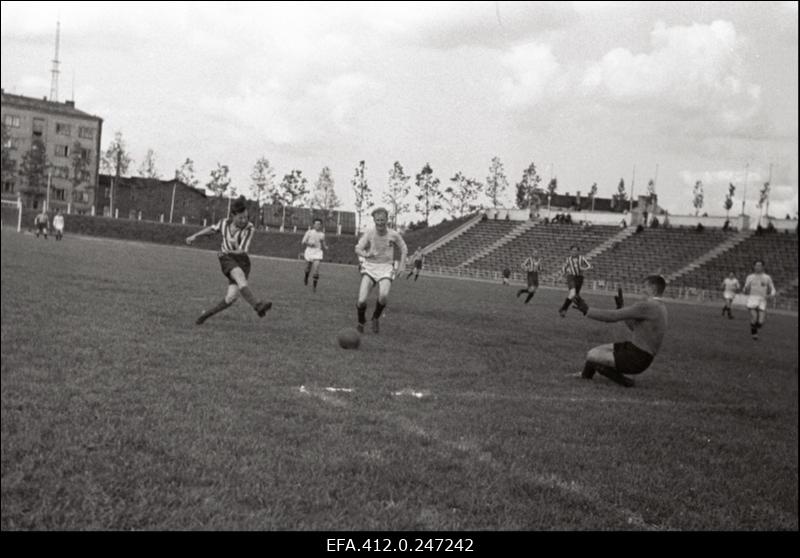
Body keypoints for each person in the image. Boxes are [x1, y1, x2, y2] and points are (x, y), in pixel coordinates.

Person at [185, 196, 272, 325]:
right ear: (232, 216)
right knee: (239, 275)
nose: (244, 220)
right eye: (240, 217)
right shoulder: (224, 223)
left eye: (246, 217)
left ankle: (205, 316)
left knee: (231, 297)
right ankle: (258, 305)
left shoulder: (249, 228)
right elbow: (212, 230)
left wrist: (235, 244)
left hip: (242, 260)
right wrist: (195, 236)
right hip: (226, 257)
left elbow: (242, 251)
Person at [571, 277, 668, 388]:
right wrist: (621, 307)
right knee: (595, 352)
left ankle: (625, 381)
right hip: (638, 352)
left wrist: (586, 310)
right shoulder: (660, 307)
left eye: (644, 287)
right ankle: (586, 375)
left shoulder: (648, 306)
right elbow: (634, 327)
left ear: (653, 289)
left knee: (592, 355)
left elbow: (612, 316)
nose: (641, 290)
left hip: (636, 357)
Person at [354, 207, 408, 334]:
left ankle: (375, 318)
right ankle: (361, 321)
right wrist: (366, 255)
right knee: (361, 301)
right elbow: (357, 248)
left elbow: (404, 248)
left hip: (386, 268)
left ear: (386, 220)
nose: (380, 222)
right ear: (374, 220)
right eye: (377, 220)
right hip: (370, 267)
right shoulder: (369, 233)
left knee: (383, 296)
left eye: (382, 220)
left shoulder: (393, 234)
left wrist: (402, 265)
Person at [743, 260, 776, 340]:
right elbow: (745, 289)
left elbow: (773, 288)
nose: (758, 267)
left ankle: (755, 328)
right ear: (754, 266)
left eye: (760, 265)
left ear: (763, 267)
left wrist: (771, 295)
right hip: (752, 298)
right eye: (756, 265)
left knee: (761, 321)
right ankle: (754, 334)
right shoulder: (750, 277)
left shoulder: (767, 277)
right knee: (754, 316)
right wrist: (746, 289)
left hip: (762, 299)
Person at [557, 244, 592, 317]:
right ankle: (564, 309)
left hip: (579, 278)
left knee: (575, 296)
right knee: (572, 293)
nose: (574, 252)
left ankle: (564, 309)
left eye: (575, 250)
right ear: (570, 251)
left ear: (578, 251)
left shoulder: (582, 258)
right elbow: (564, 268)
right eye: (572, 250)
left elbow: (589, 265)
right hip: (571, 277)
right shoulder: (569, 259)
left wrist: (583, 268)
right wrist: (561, 276)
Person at [301, 217, 329, 292]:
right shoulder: (309, 232)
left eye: (319, 224)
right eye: (316, 224)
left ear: (321, 225)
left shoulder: (322, 234)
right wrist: (309, 243)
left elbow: (323, 242)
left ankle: (314, 287)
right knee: (307, 268)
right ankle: (306, 277)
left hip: (317, 252)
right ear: (313, 225)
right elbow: (303, 242)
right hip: (309, 251)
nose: (318, 225)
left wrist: (325, 247)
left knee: (316, 269)